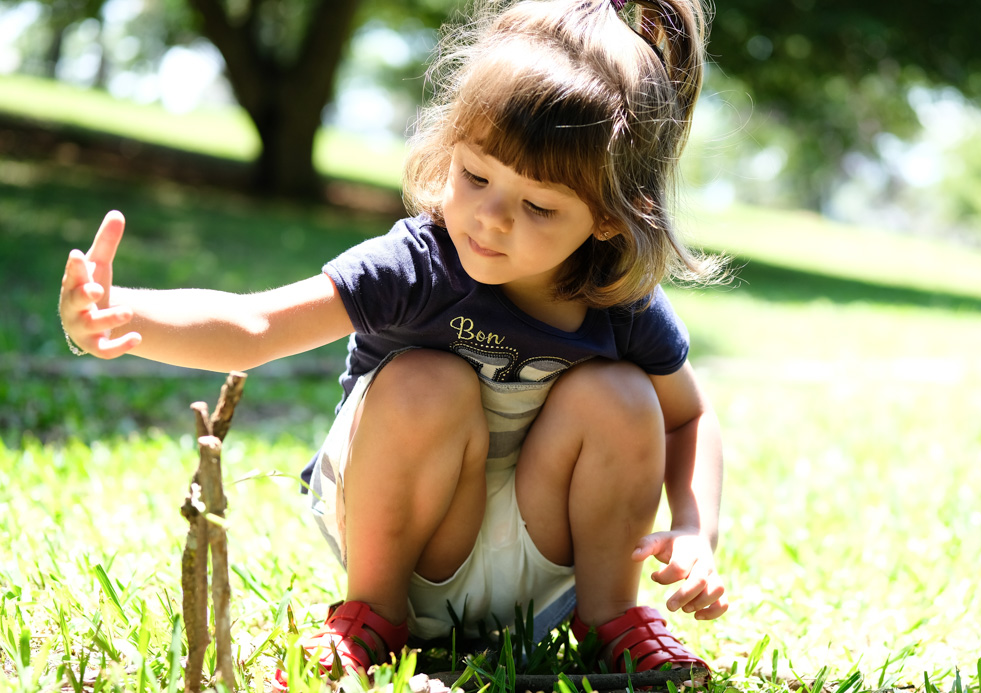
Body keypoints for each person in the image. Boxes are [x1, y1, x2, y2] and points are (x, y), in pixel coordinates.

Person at [58, 0, 729, 686]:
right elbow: (255, 326)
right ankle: (370, 618)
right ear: (450, 147)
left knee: (621, 394)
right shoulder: (420, 264)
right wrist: (125, 313)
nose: (491, 219)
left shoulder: (616, 300)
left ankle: (613, 619)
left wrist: (695, 531)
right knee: (424, 380)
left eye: (537, 207)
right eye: (476, 176)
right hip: (416, 544)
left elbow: (687, 414)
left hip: (546, 561)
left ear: (612, 221)